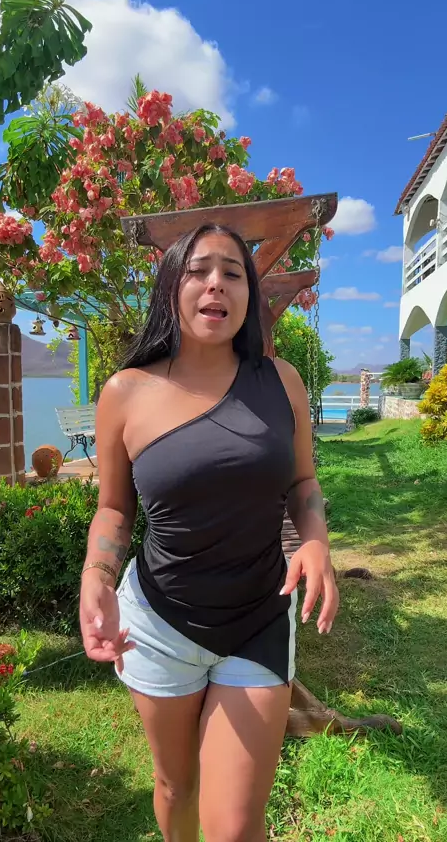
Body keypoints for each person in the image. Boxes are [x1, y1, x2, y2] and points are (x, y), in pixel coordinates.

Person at [79, 223, 339, 842]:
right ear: (171, 285)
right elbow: (114, 509)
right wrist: (96, 576)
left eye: (233, 272)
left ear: (249, 295)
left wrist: (316, 541)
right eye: (198, 270)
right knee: (176, 785)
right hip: (158, 624)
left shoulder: (281, 382)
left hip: (259, 618)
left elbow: (303, 483)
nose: (215, 284)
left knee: (237, 827)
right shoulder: (126, 392)